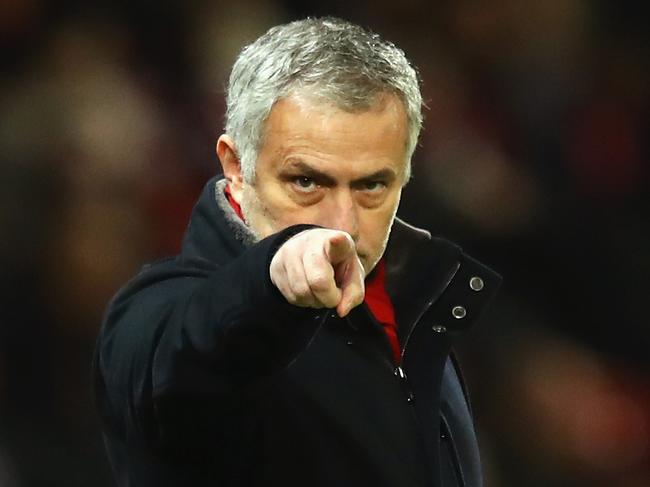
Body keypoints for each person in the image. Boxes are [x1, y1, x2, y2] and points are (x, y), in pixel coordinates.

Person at [93, 17, 501, 487]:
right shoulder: (152, 317)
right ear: (236, 167)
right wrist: (273, 278)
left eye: (372, 185)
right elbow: (185, 352)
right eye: (306, 182)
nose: (341, 226)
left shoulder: (416, 301)